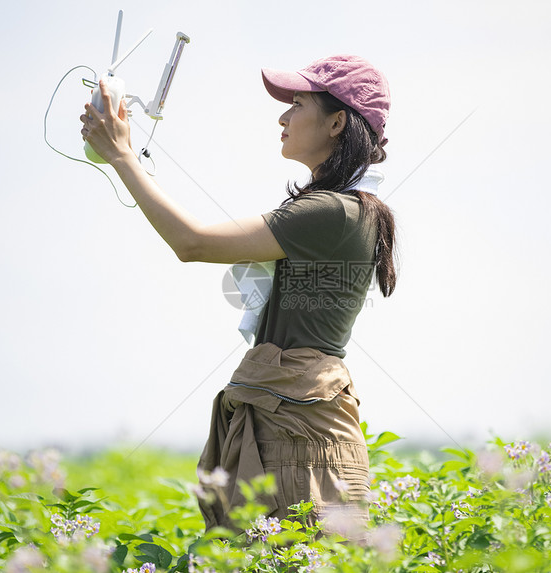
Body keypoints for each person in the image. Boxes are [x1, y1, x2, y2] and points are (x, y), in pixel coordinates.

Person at [80, 54, 397, 530]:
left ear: (336, 122)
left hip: (298, 429)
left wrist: (124, 156)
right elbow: (194, 233)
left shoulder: (334, 211)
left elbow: (193, 242)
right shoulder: (339, 208)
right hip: (297, 422)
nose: (283, 116)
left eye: (298, 104)